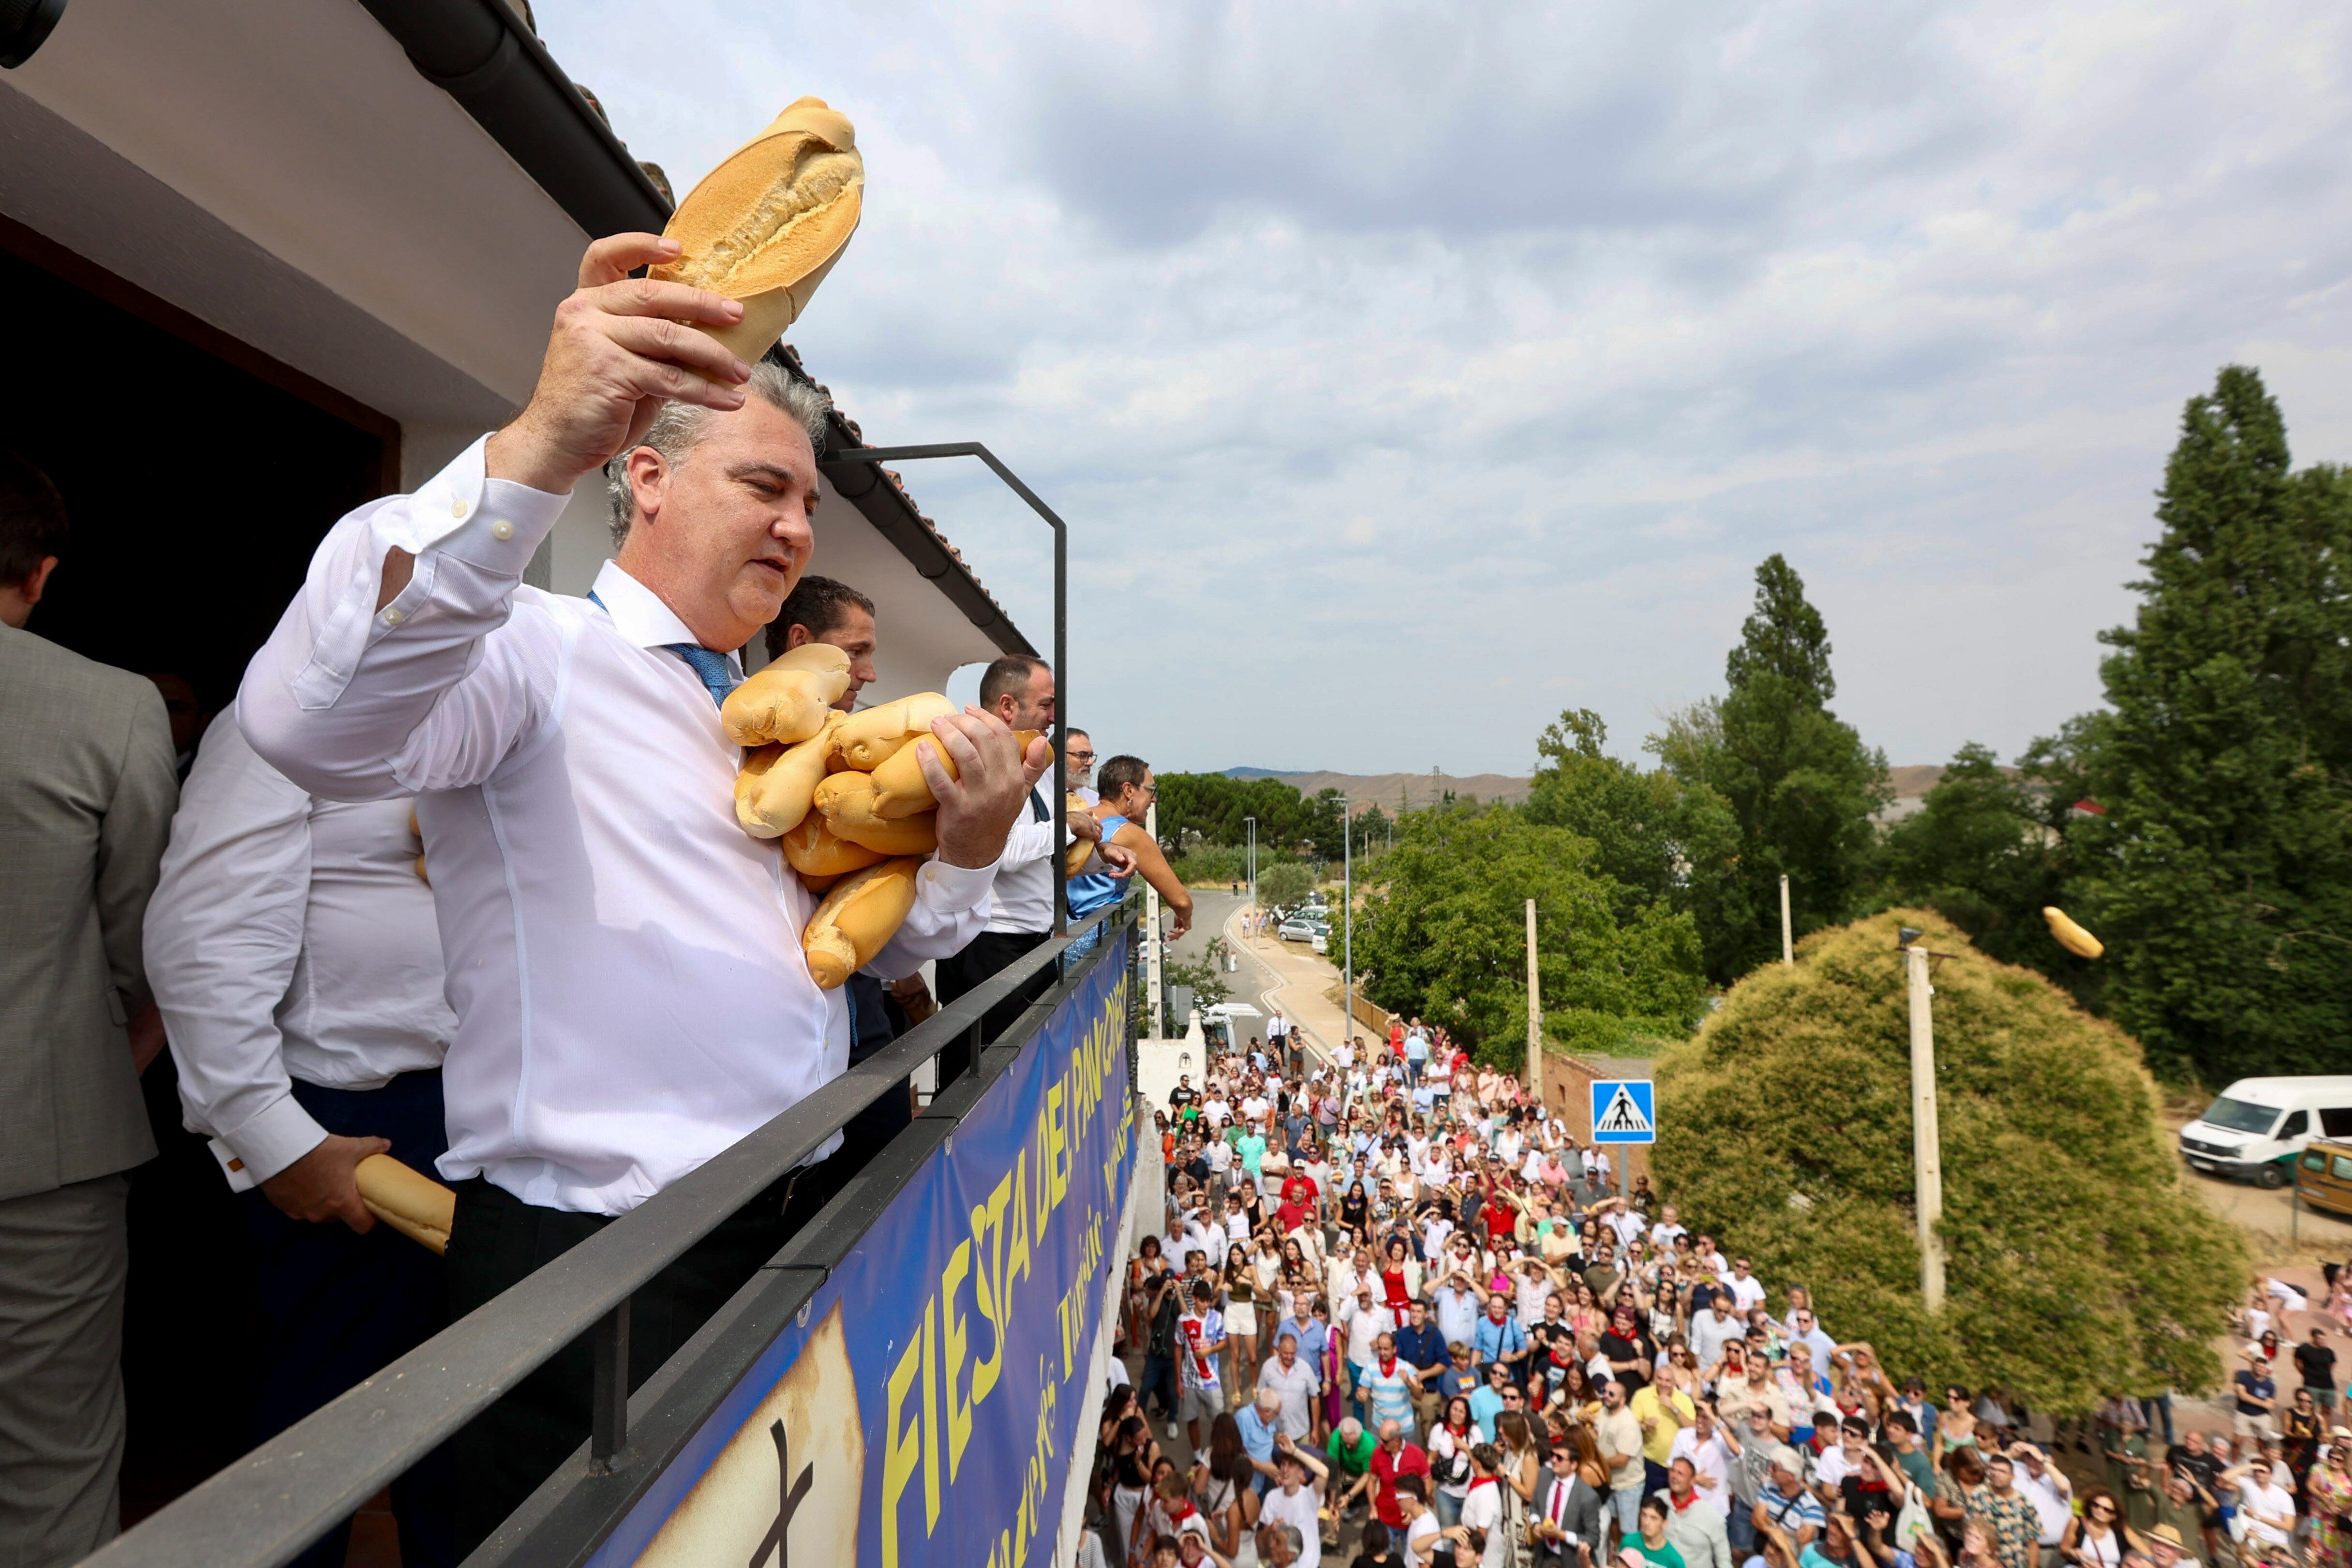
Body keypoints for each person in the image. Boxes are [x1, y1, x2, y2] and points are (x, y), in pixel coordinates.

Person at [234, 239, 1047, 1551]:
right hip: (597, 1277)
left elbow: (837, 954)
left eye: (809, 507)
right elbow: (308, 719)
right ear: (649, 477)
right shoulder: (533, 652)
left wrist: (965, 844)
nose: (796, 528)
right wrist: (538, 442)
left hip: (785, 1232)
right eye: (765, 487)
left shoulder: (774, 712)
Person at [144, 717, 458, 1568]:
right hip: (359, 1120)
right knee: (323, 1430)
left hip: (498, 1108)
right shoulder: (288, 713)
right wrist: (274, 1141)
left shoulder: (498, 698)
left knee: (474, 1428)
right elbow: (205, 937)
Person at [0, 447, 179, 1564]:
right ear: (42, 573)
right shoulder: (108, 708)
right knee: (49, 1472)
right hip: (44, 1142)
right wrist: (115, 1050)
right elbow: (146, 943)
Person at [934, 653, 1114, 1050]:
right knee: (979, 1078)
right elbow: (1006, 850)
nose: (1054, 716)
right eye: (1046, 705)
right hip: (988, 950)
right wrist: (1069, 827)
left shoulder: (1042, 763)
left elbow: (1045, 853)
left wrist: (1102, 860)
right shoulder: (974, 762)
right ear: (1008, 707)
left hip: (1033, 944)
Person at [1661, 1456, 1734, 1568]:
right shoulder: (1660, 1499)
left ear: (1693, 1481)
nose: (1674, 1477)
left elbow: (1723, 1560)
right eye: (1672, 1471)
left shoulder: (1711, 1516)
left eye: (1680, 1474)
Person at [1625, 1493, 1689, 1568]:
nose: (1646, 1522)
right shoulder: (1628, 1542)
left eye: (1654, 1518)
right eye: (1644, 1515)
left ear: (1665, 1524)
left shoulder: (1674, 1561)